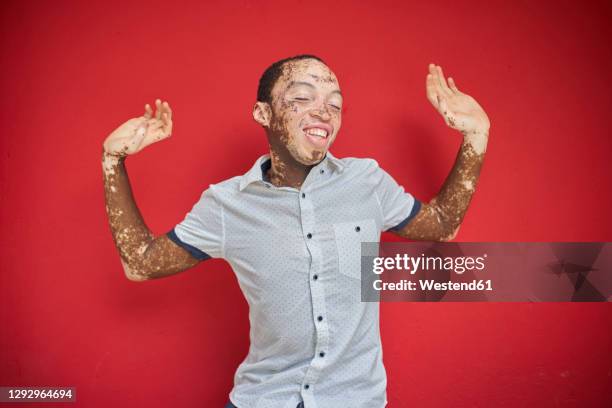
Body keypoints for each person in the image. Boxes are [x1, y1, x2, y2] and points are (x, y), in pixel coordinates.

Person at [101, 55, 490, 408]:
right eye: (303, 97)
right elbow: (141, 263)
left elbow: (442, 224)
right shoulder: (224, 205)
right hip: (262, 399)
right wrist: (112, 161)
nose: (324, 111)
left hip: (355, 400)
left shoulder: (367, 181)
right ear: (263, 113)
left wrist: (476, 135)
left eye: (335, 104)